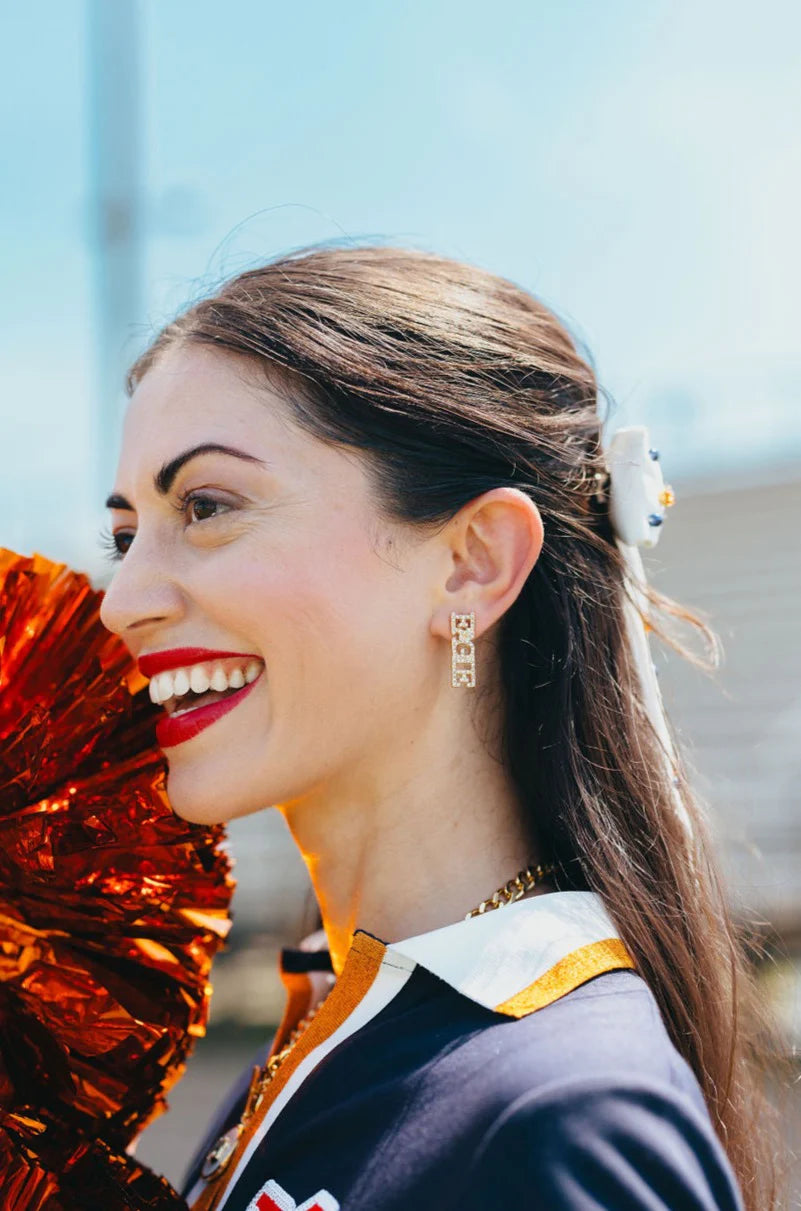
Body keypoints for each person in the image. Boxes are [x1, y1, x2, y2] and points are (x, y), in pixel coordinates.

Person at [98, 243, 784, 1211]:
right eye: (125, 535)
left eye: (205, 505)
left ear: (471, 564)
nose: (121, 599)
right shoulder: (335, 1019)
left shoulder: (570, 1120)